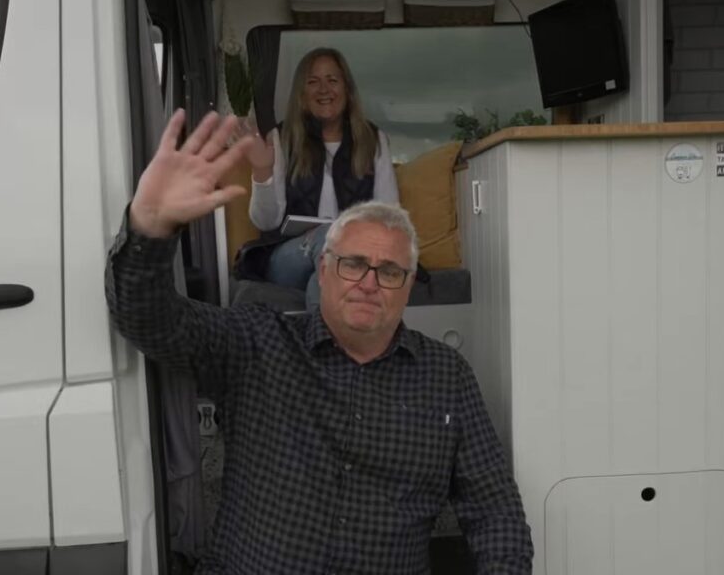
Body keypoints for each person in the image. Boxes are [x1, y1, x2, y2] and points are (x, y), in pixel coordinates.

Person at [106, 110, 533, 574]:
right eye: (352, 264)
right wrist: (149, 227)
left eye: (389, 271)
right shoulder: (257, 344)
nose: (369, 283)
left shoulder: (446, 376)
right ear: (323, 270)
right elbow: (147, 318)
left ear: (408, 286)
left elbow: (494, 511)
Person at [239, 47, 399, 306]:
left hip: (352, 258)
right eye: (312, 82)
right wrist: (262, 171)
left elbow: (389, 215)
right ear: (302, 94)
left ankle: (324, 345)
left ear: (347, 89)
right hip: (288, 257)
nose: (323, 89)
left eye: (332, 80)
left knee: (323, 277)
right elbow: (266, 222)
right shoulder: (282, 139)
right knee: (329, 237)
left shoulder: (373, 140)